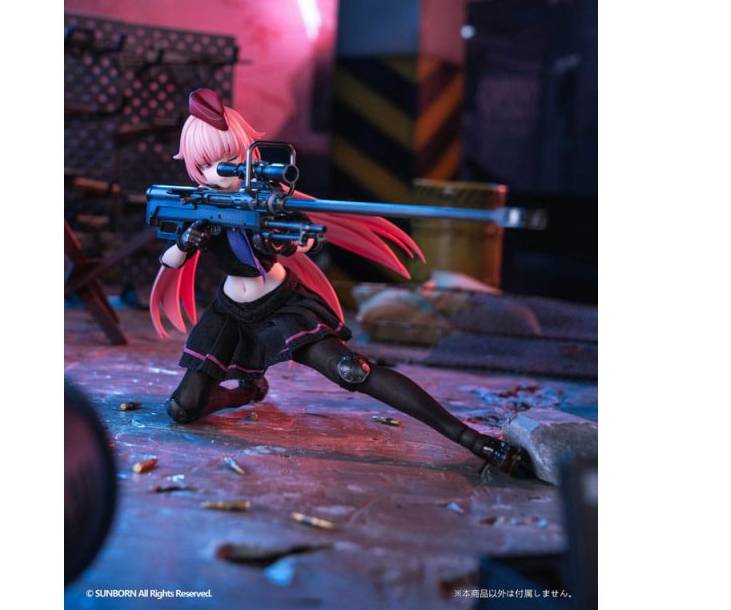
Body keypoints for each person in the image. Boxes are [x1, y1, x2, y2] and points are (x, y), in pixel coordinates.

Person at [150, 88, 533, 478]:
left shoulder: (267, 198)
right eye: (208, 164)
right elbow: (169, 261)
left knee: (352, 370)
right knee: (182, 409)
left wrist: (285, 240)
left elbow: (305, 235)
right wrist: (186, 241)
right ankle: (245, 392)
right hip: (229, 314)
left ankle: (474, 441)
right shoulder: (198, 205)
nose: (221, 170)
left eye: (231, 159)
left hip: (282, 307)